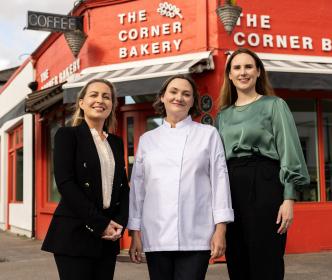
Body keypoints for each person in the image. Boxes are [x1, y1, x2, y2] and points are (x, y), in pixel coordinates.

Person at [215, 48, 310, 280]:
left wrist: (289, 198)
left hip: (266, 183)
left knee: (266, 259)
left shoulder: (274, 105)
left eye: (248, 67)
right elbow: (216, 163)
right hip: (232, 187)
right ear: (229, 74)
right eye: (237, 67)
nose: (243, 72)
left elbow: (289, 150)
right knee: (237, 260)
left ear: (258, 72)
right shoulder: (222, 115)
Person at [127, 74, 234, 280]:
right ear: (163, 97)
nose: (179, 97)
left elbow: (220, 181)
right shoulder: (147, 139)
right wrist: (135, 233)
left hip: (197, 232)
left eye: (186, 94)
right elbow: (138, 189)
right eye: (173, 92)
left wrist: (220, 230)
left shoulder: (208, 134)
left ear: (193, 101)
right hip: (156, 233)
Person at [41, 79, 129, 280]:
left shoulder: (115, 142)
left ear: (112, 106)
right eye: (94, 95)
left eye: (106, 97)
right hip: (75, 233)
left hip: (107, 238)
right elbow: (66, 184)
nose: (100, 100)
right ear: (81, 102)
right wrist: (100, 224)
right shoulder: (67, 135)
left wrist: (119, 222)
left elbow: (123, 187)